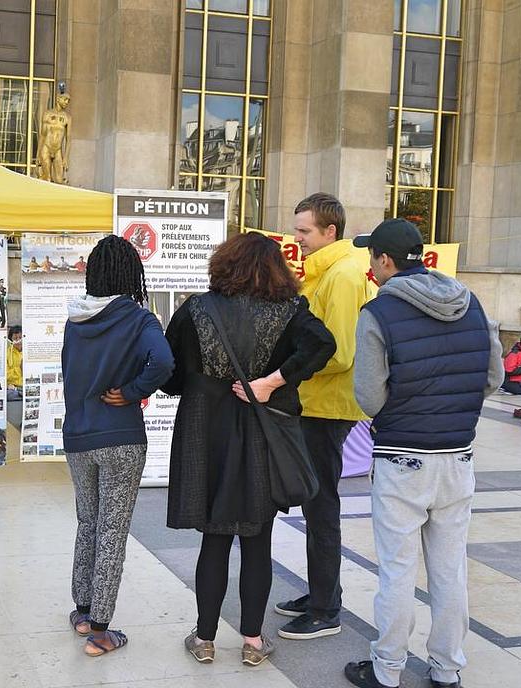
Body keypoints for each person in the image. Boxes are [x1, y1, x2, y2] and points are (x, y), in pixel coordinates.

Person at [163, 232, 335, 666]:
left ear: (224, 264)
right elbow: (323, 344)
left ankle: (204, 639)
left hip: (206, 434)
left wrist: (200, 383)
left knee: (215, 537)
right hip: (261, 433)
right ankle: (253, 642)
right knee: (257, 539)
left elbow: (170, 374)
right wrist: (272, 381)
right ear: (276, 269)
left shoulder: (196, 308)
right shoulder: (290, 310)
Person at [344, 218, 503, 688]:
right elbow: (492, 378)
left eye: (372, 257)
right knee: (450, 570)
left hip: (402, 458)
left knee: (397, 570)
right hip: (458, 456)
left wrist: (407, 409)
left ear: (385, 260)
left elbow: (369, 397)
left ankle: (387, 669)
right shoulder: (470, 302)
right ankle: (447, 669)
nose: (370, 267)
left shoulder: (378, 313)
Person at [61, 235, 175, 656]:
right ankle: (101, 630)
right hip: (121, 437)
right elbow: (164, 362)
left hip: (78, 436)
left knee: (87, 522)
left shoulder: (76, 320)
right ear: (131, 274)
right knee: (112, 529)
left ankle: (83, 611)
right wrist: (131, 392)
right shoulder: (139, 319)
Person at [275, 192, 371, 640]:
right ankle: (320, 592)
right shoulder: (327, 270)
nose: (297, 238)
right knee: (314, 505)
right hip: (315, 403)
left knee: (321, 506)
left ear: (330, 231)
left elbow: (339, 352)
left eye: (304, 231)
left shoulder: (344, 275)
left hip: (328, 407)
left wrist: (283, 373)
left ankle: (325, 609)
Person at [7, 326, 24, 396]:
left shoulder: (30, 351)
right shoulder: (7, 353)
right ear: (11, 339)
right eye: (15, 338)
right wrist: (20, 369)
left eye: (20, 337)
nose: (18, 340)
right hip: (13, 387)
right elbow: (6, 374)